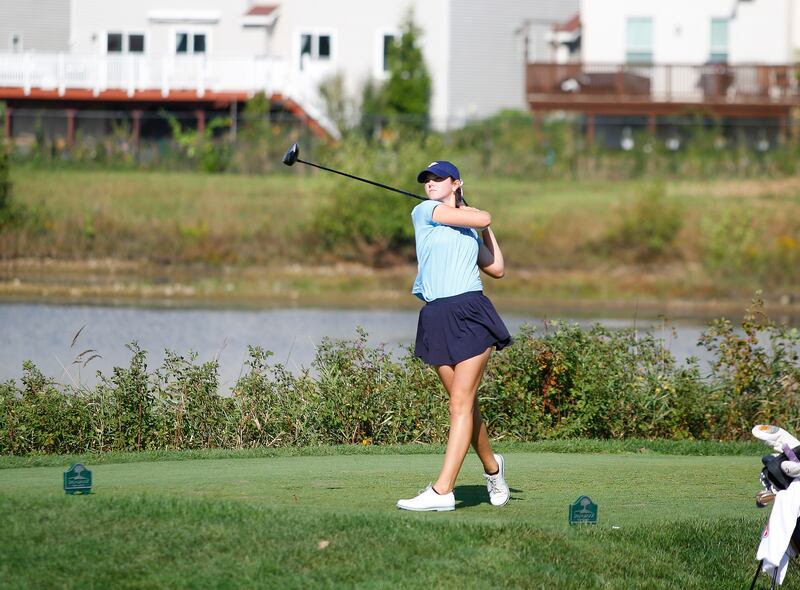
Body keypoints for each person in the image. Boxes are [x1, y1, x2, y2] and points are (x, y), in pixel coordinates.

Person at [396, 160, 512, 512]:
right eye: (426, 180)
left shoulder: (467, 232)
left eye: (438, 179)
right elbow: (482, 215)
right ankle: (494, 468)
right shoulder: (425, 211)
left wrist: (483, 231)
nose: (430, 184)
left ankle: (442, 491)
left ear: (456, 183)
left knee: (459, 404)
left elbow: (497, 268)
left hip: (472, 312)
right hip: (436, 315)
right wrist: (472, 213)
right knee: (465, 405)